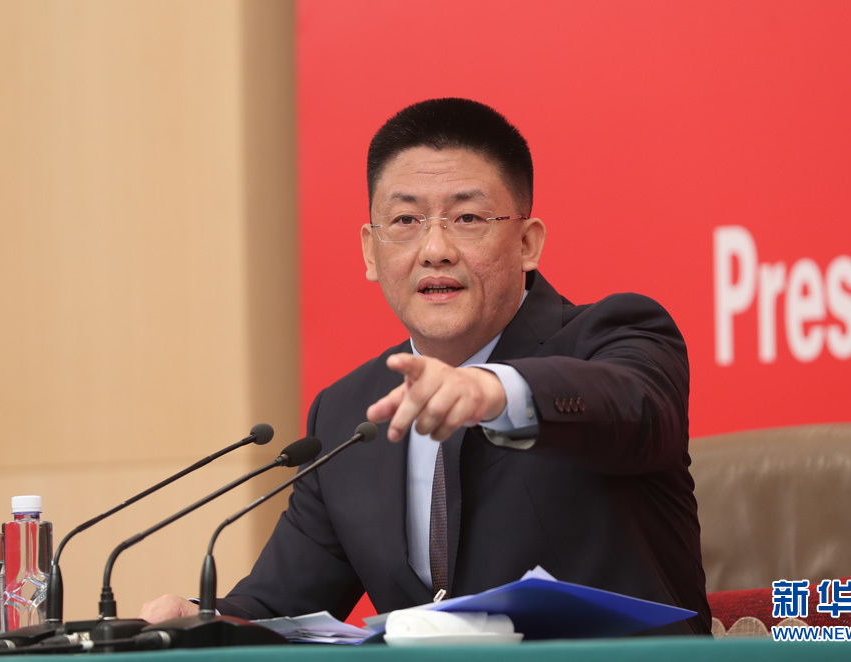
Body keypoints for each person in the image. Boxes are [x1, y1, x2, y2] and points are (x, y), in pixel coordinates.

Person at [140, 98, 711, 635]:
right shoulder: (348, 414)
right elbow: (275, 608)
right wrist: (196, 623)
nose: (435, 249)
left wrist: (493, 392)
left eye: (468, 217)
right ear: (371, 251)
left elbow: (634, 406)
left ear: (527, 243)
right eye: (406, 221)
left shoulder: (616, 334)